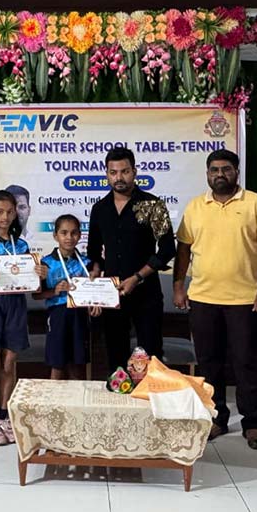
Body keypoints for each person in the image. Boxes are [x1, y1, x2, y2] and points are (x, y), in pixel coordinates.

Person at [173, 149, 257, 447]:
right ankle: (216, 418)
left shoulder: (256, 204)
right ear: (207, 174)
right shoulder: (195, 207)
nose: (220, 174)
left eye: (226, 169)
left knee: (246, 362)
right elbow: (183, 249)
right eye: (214, 170)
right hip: (203, 298)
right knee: (208, 363)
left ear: (237, 172)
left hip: (245, 300)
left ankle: (252, 424)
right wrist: (179, 286)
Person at [87, 147, 176, 371]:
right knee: (115, 355)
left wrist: (137, 277)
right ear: (106, 174)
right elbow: (94, 251)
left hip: (146, 291)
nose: (119, 177)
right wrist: (94, 276)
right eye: (113, 172)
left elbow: (166, 249)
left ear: (134, 171)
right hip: (112, 292)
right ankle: (119, 403)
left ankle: (149, 403)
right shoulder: (99, 209)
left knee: (150, 355)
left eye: (124, 171)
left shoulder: (153, 205)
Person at [0, 190, 48, 446]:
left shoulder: (22, 245)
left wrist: (39, 273)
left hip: (15, 305)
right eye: (0, 212)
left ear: (15, 214)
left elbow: (31, 282)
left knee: (9, 362)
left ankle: (4, 415)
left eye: (10, 212)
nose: (5, 216)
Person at [34, 214, 100, 380]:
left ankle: (78, 404)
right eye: (64, 233)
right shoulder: (46, 263)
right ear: (56, 236)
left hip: (80, 316)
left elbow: (96, 292)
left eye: (74, 233)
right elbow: (37, 295)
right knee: (58, 364)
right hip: (58, 315)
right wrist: (55, 290)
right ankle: (53, 404)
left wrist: (96, 302)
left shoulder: (87, 263)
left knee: (78, 365)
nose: (69, 237)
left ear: (79, 235)